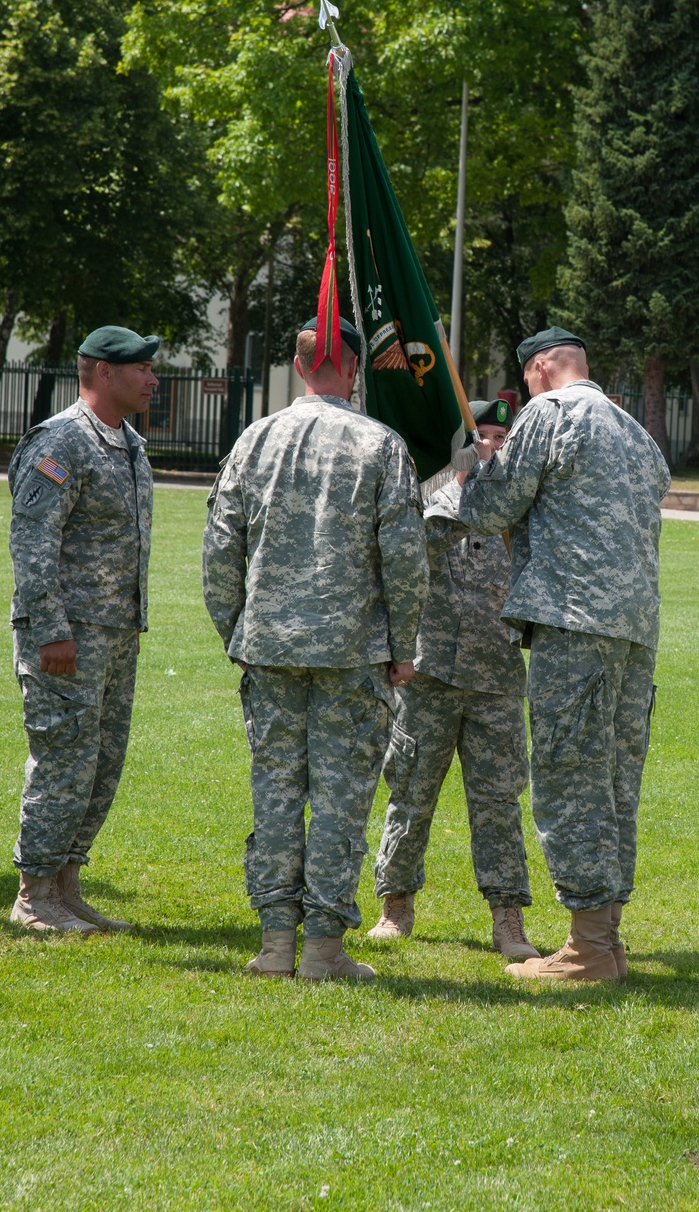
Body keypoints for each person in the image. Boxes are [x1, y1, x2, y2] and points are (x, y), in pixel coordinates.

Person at [203, 315, 428, 983]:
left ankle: (276, 942)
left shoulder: (255, 439)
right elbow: (406, 557)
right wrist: (404, 643)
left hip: (270, 646)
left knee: (274, 791)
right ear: (353, 368)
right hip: (352, 651)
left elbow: (220, 545)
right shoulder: (381, 444)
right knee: (340, 798)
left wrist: (235, 629)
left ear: (301, 366)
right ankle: (323, 949)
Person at [456, 327, 671, 983]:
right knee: (612, 782)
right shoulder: (635, 430)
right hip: (634, 630)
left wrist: (471, 469)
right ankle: (607, 939)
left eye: (525, 380)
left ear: (543, 367)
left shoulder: (548, 415)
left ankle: (586, 949)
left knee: (569, 778)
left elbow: (491, 509)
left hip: (572, 623)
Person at [369, 398, 539, 961]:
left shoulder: (523, 513)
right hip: (430, 674)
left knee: (498, 803)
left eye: (502, 439)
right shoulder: (431, 504)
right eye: (483, 439)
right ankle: (395, 907)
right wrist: (462, 483)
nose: (493, 448)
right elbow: (414, 552)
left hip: (496, 680)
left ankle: (508, 920)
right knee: (411, 794)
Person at [8, 324, 160, 934]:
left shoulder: (128, 443)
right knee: (64, 758)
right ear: (101, 371)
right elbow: (32, 543)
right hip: (68, 634)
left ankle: (66, 888)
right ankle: (32, 894)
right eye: (142, 369)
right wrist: (50, 630)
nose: (153, 379)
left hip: (116, 633)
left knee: (101, 763)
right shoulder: (61, 442)